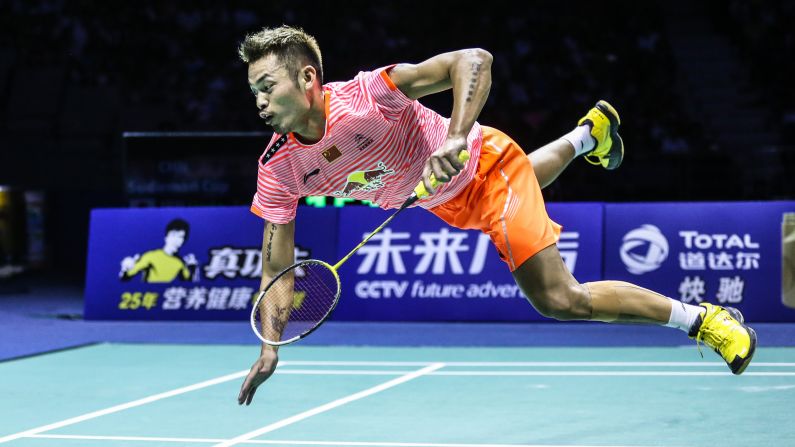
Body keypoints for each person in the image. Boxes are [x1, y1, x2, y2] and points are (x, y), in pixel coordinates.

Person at [235, 26, 756, 406]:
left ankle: (704, 320)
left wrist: (457, 135)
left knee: (559, 299)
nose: (258, 100)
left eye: (267, 86)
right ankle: (588, 134)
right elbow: (276, 270)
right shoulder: (280, 168)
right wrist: (270, 340)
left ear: (308, 78)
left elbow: (472, 59)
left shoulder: (369, 97)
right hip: (448, 202)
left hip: (485, 162)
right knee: (533, 176)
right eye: (253, 90)